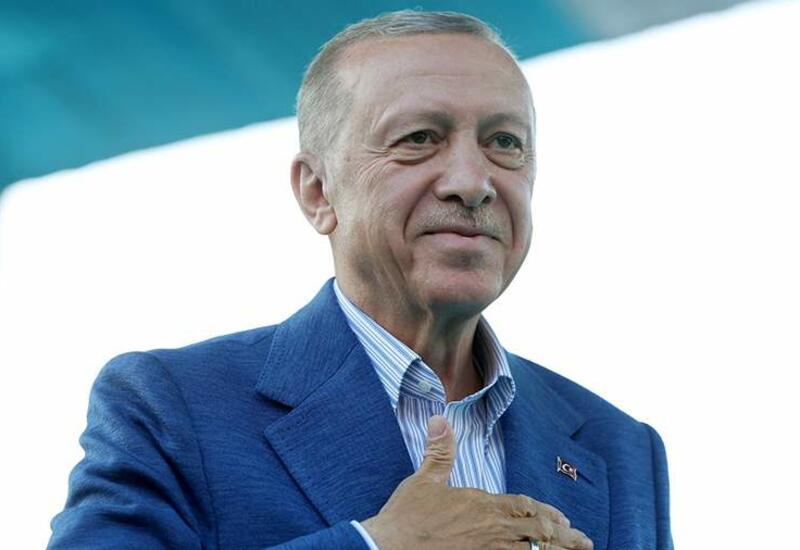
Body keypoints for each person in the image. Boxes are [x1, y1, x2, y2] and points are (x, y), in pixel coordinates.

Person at [48, 10, 672, 550]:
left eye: (504, 142)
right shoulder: (170, 406)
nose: (472, 181)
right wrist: (377, 544)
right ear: (318, 192)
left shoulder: (623, 450)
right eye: (419, 138)